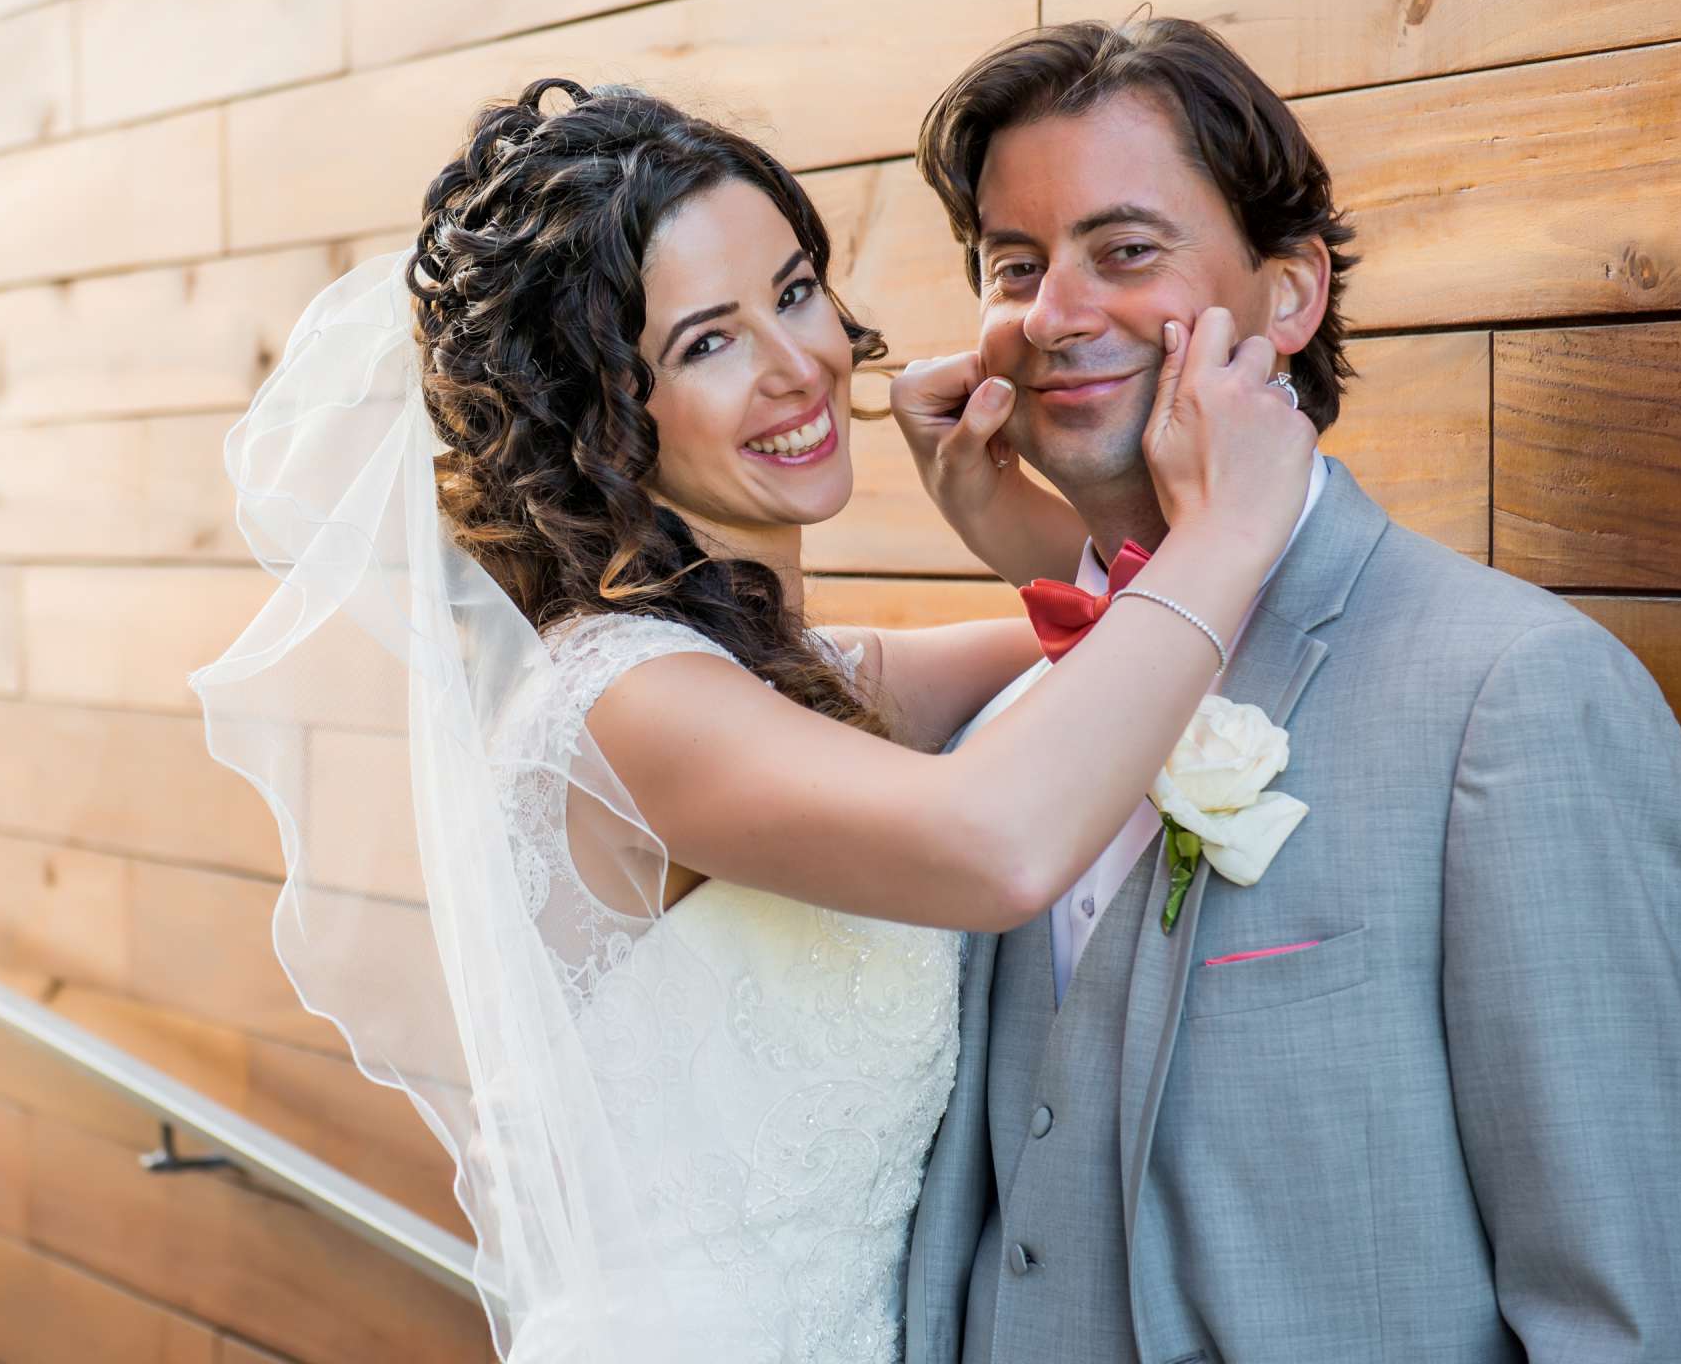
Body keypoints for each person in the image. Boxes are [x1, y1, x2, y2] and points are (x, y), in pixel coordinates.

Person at [192, 76, 1313, 1362]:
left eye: (793, 293)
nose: (800, 368)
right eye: (706, 343)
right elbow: (1000, 838)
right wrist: (1227, 528)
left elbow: (1117, 655)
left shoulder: (803, 681)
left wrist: (1017, 530)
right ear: (600, 422)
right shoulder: (624, 702)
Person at [893, 18, 1681, 1363]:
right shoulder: (1013, 716)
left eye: (1124, 251)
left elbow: (1645, 1320)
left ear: (1288, 296)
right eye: (1016, 265)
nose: (1054, 315)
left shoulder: (1517, 701)